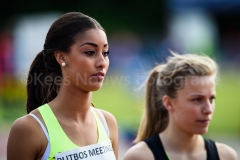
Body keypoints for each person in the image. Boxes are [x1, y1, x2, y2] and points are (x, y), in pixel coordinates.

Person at [7, 12, 118, 160]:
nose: (102, 62)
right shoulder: (30, 129)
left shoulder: (107, 123)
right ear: (61, 57)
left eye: (105, 52)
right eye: (90, 52)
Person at [123, 52, 238, 160]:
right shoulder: (141, 157)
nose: (208, 109)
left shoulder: (225, 156)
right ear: (168, 103)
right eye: (197, 100)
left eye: (211, 99)